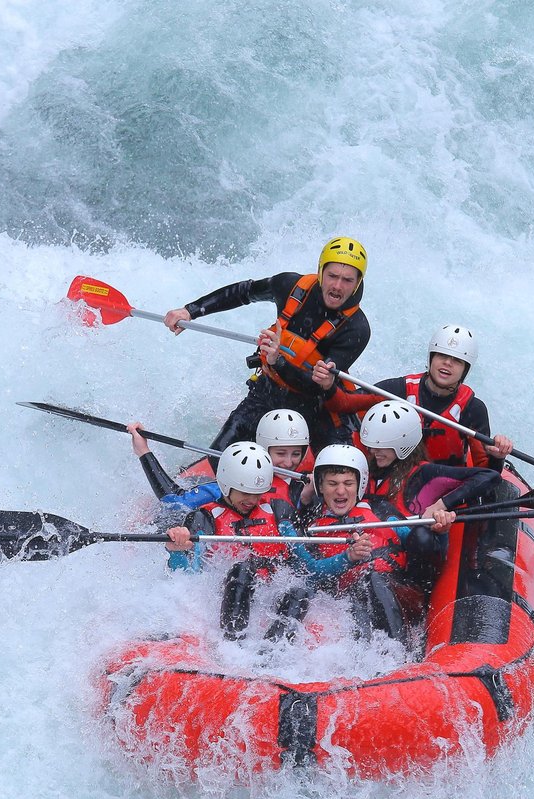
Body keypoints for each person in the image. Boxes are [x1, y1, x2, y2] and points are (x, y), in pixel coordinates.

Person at [163, 237, 372, 457]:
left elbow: (316, 387)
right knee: (218, 456)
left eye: (347, 280)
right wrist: (190, 311)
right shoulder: (291, 286)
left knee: (338, 468)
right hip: (268, 390)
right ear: (321, 272)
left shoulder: (356, 328)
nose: (337, 286)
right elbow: (244, 292)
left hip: (315, 406)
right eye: (332, 276)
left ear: (358, 282)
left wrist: (277, 361)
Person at [320, 323, 514, 470]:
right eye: (441, 356)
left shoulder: (473, 409)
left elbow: (485, 471)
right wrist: (328, 387)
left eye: (456, 360)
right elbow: (344, 404)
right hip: (396, 476)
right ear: (431, 358)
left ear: (465, 370)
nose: (447, 363)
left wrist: (497, 456)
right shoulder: (398, 390)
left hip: (444, 487)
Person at [268, 444, 407, 643]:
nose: (341, 491)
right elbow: (312, 572)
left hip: (394, 590)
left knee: (373, 580)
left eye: (348, 483)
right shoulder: (310, 524)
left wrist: (440, 529)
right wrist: (349, 557)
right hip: (347, 597)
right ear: (321, 487)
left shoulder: (381, 511)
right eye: (332, 483)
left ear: (359, 484)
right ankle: (269, 655)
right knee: (305, 592)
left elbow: (422, 542)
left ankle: (399, 656)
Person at [358, 399, 500, 590]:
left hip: (407, 577)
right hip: (370, 555)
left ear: (403, 442)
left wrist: (442, 505)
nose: (374, 451)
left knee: (422, 536)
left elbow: (489, 476)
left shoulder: (425, 474)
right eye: (372, 445)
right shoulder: (364, 470)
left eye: (382, 445)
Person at [162, 441, 296, 641]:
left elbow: (298, 551)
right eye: (245, 492)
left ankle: (273, 651)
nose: (251, 499)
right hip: (226, 594)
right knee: (242, 569)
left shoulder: (278, 509)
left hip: (269, 591)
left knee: (299, 593)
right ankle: (232, 644)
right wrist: (177, 551)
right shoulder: (203, 518)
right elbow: (186, 576)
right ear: (226, 485)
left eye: (257, 493)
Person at [125, 408, 312, 512]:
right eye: (281, 453)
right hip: (203, 486)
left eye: (296, 454)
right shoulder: (233, 481)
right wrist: (144, 451)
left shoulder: (303, 486)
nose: (288, 463)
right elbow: (175, 502)